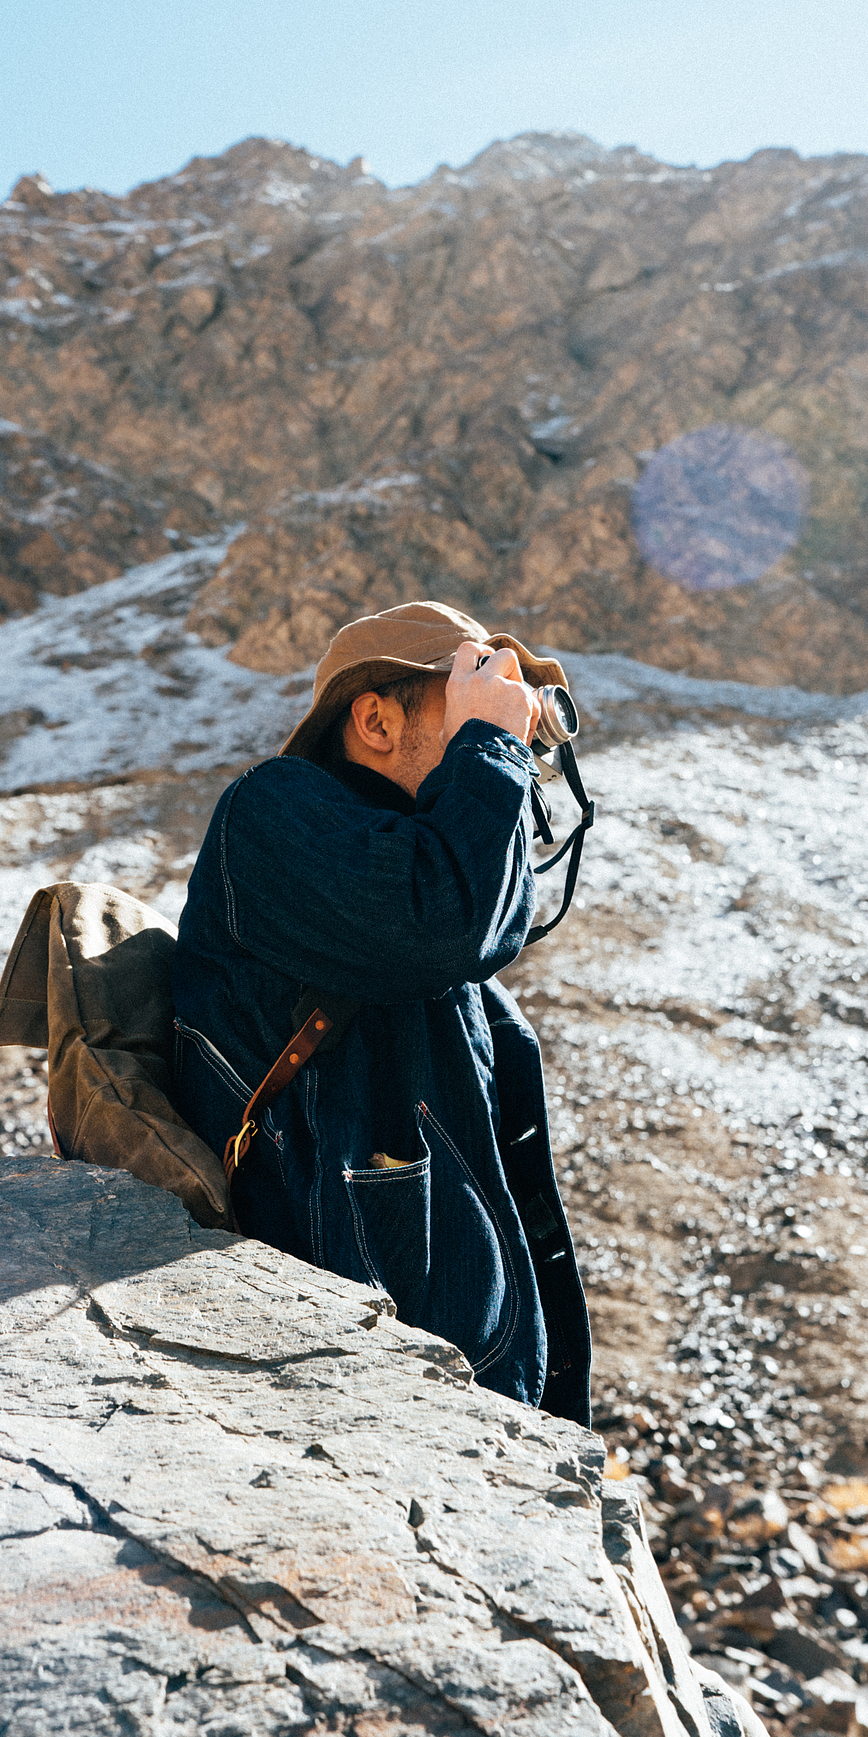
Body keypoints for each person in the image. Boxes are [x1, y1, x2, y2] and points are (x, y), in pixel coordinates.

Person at [171, 600, 590, 1426]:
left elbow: (464, 916)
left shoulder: (436, 873)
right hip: (338, 1390)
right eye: (475, 694)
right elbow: (438, 920)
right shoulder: (273, 811)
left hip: (459, 1388)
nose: (509, 725)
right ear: (374, 719)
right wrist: (495, 748)